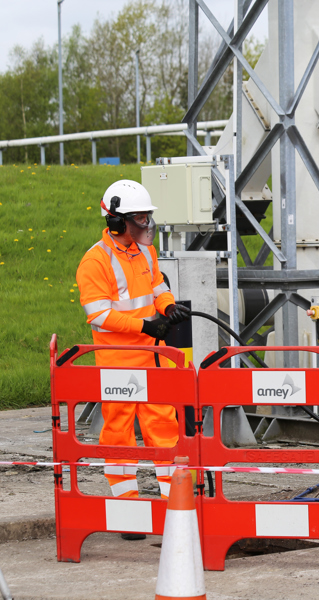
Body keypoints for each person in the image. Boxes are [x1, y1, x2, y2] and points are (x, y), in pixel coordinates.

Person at [76, 180, 191, 536]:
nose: (146, 224)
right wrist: (146, 326)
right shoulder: (94, 261)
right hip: (117, 364)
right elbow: (99, 315)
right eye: (139, 218)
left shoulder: (145, 252)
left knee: (163, 427)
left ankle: (177, 508)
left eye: (147, 216)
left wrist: (168, 306)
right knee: (119, 434)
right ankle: (127, 511)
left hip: (151, 359)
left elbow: (157, 286)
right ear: (116, 222)